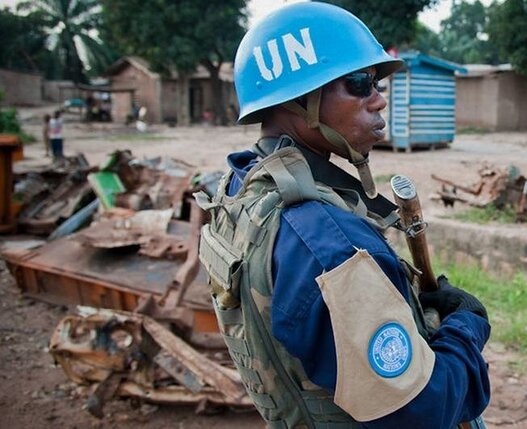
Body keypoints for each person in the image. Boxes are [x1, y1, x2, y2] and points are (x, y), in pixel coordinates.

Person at [195, 3, 490, 428]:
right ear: (300, 100)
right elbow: (421, 411)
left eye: (376, 82)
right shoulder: (330, 244)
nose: (379, 99)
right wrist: (467, 327)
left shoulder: (240, 190)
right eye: (359, 83)